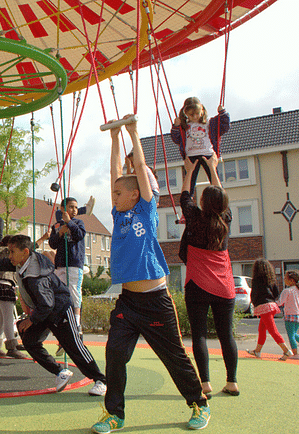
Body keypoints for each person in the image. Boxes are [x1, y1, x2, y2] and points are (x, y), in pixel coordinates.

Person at [92, 116, 209, 434]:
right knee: (115, 352)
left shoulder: (145, 208)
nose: (113, 196)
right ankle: (114, 414)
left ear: (134, 195)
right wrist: (114, 140)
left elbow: (138, 171)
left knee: (174, 357)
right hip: (128, 301)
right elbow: (116, 173)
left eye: (119, 193)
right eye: (114, 193)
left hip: (156, 300)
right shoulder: (119, 214)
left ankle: (198, 402)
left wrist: (133, 135)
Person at [0, 234, 107, 397]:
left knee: (73, 346)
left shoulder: (36, 275)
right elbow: (1, 263)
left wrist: (31, 320)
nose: (9, 255)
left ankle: (101, 380)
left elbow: (47, 304)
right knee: (30, 340)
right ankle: (60, 372)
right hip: (44, 310)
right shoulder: (22, 261)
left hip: (59, 309)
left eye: (12, 252)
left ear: (25, 252)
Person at [179, 153, 240, 397]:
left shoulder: (194, 217)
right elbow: (219, 195)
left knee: (200, 335)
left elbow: (184, 196)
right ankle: (232, 382)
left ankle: (205, 383)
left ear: (202, 202)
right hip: (224, 287)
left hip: (197, 285)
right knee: (226, 335)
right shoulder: (226, 219)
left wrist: (189, 172)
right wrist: (213, 168)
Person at [171, 97, 230, 196]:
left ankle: (220, 199)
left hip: (208, 154)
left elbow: (224, 126)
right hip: (191, 156)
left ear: (202, 111)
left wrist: (222, 112)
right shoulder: (184, 126)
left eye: (197, 113)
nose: (195, 117)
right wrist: (176, 126)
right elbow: (176, 139)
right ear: (185, 113)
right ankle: (188, 200)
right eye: (191, 114)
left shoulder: (209, 123)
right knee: (190, 181)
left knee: (215, 179)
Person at [49, 197, 89, 335]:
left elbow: (79, 235)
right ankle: (62, 321)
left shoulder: (78, 222)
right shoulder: (57, 225)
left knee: (74, 291)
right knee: (59, 292)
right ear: (63, 209)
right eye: (71, 207)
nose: (74, 210)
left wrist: (70, 223)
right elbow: (52, 244)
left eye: (76, 207)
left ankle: (77, 323)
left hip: (73, 262)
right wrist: (60, 233)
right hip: (60, 263)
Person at [246, 258, 293, 361]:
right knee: (262, 329)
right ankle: (257, 351)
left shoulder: (256, 280)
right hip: (271, 305)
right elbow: (276, 293)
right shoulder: (270, 279)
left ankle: (286, 351)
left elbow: (254, 294)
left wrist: (255, 304)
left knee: (272, 330)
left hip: (263, 306)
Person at [278, 270, 299, 359]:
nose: (284, 280)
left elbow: (280, 302)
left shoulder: (287, 291)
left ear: (291, 280)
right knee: (294, 334)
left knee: (291, 335)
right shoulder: (298, 290)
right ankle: (295, 353)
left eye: (285, 278)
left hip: (290, 315)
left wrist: (273, 303)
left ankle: (296, 354)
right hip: (298, 314)